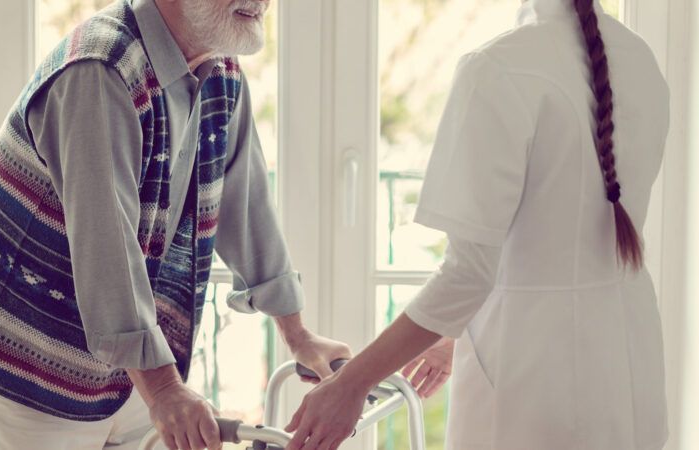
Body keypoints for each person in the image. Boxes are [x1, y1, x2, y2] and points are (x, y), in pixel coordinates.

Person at [0, 0, 352, 449]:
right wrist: (164, 389)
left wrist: (298, 334)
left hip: (125, 364)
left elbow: (248, 209)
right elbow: (107, 256)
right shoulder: (100, 72)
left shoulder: (220, 72)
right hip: (20, 367)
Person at [284, 0, 669, 449]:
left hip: (534, 387)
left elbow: (467, 274)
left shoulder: (497, 68)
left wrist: (351, 385)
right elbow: (560, 244)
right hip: (630, 371)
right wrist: (452, 335)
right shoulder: (640, 57)